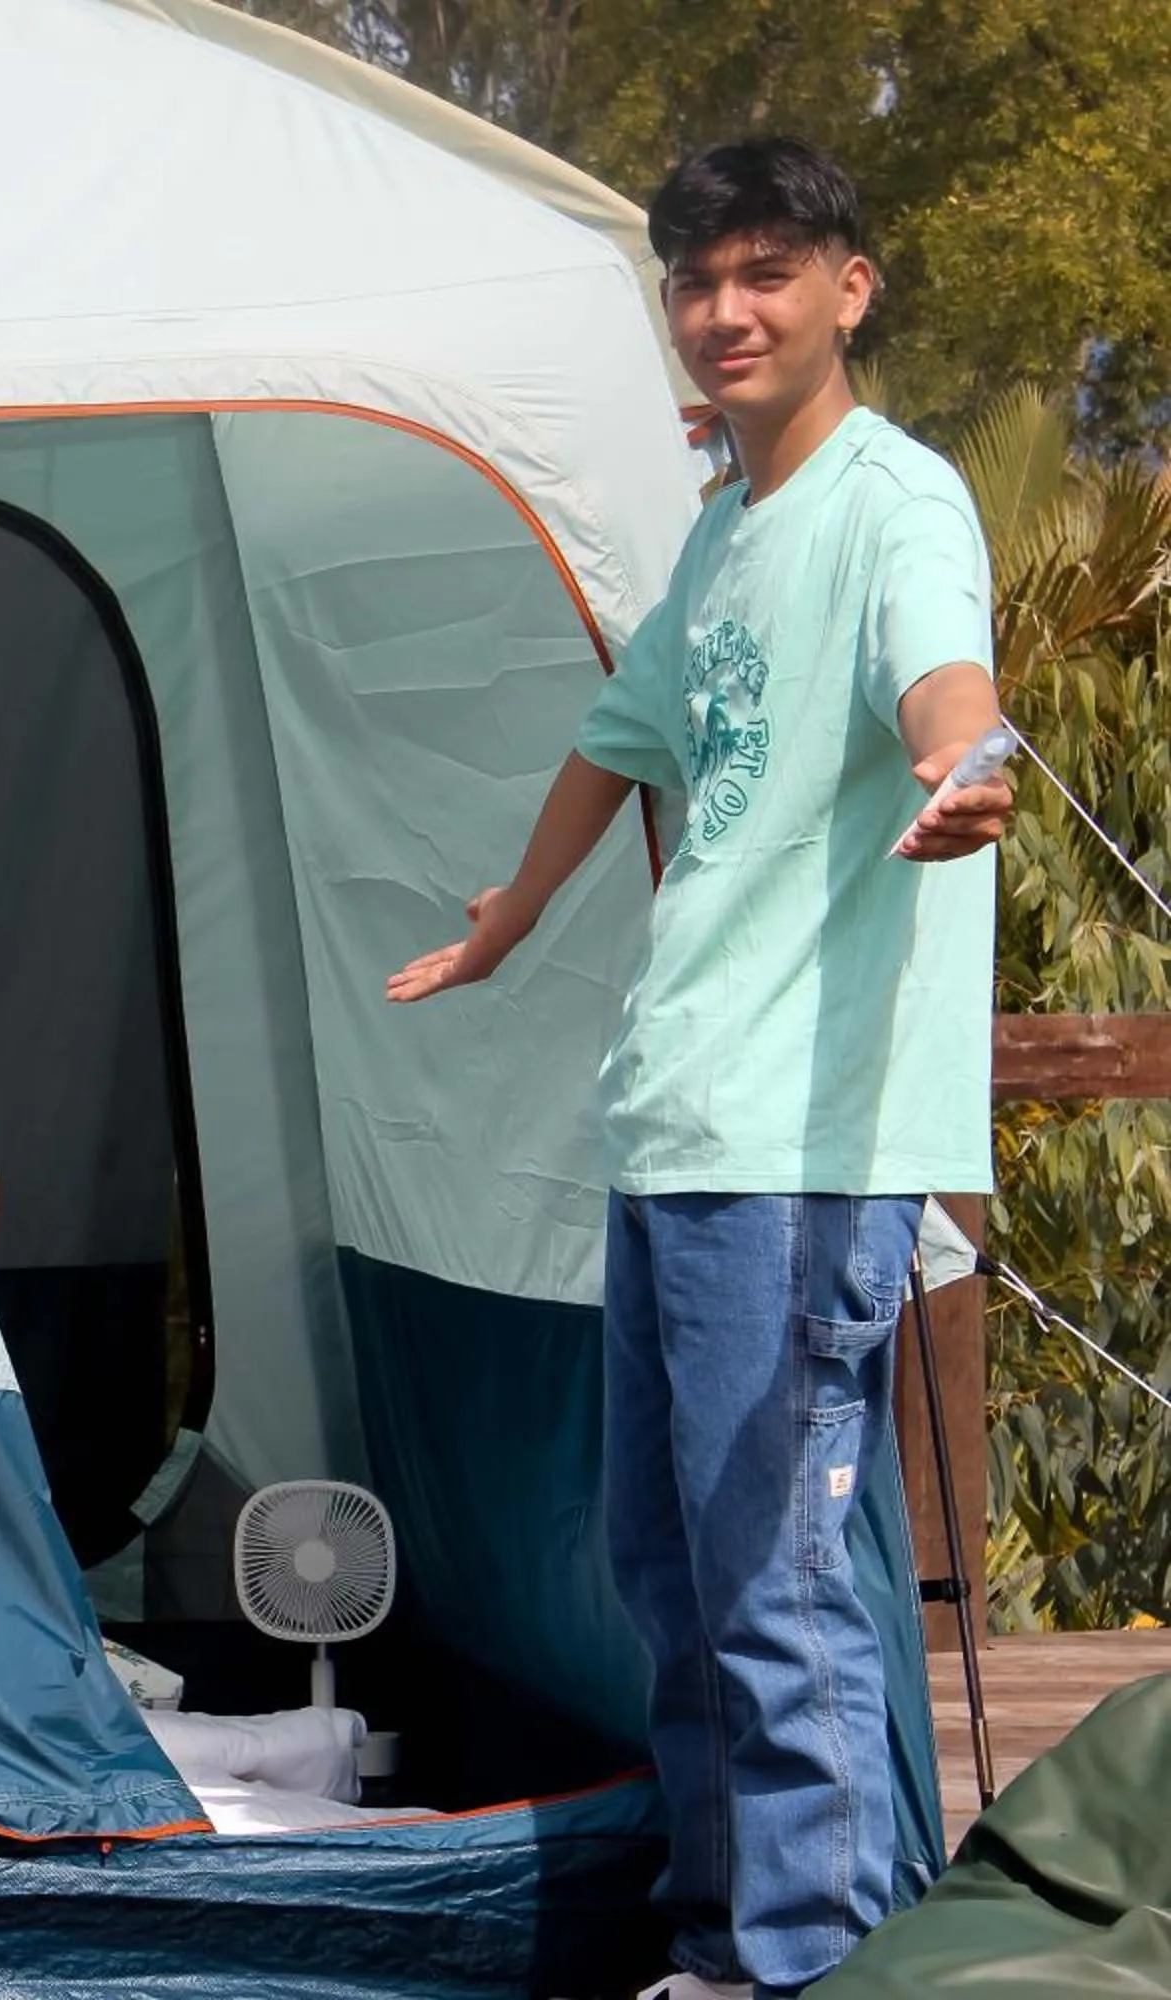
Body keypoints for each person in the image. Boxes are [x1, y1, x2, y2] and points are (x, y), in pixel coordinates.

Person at [386, 138, 1014, 1999]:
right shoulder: (732, 523)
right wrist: (509, 912)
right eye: (695, 282)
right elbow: (627, 728)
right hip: (675, 1128)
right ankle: (730, 1945)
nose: (724, 314)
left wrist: (965, 771)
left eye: (764, 274)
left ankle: (819, 1962)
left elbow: (948, 684)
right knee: (669, 1578)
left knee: (780, 1588)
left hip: (808, 1147)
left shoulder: (897, 502)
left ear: (849, 288)